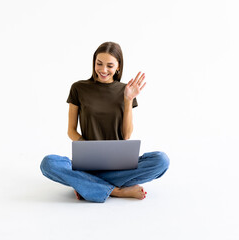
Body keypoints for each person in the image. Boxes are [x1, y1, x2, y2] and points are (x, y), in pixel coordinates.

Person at [40, 42, 170, 203]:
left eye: (109, 65)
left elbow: (126, 135)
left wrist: (128, 100)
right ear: (94, 62)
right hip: (88, 163)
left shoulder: (126, 90)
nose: (103, 70)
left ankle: (85, 183)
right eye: (99, 64)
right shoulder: (78, 88)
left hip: (118, 166)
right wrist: (90, 149)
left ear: (118, 67)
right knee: (48, 163)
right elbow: (71, 131)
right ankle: (117, 191)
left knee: (161, 160)